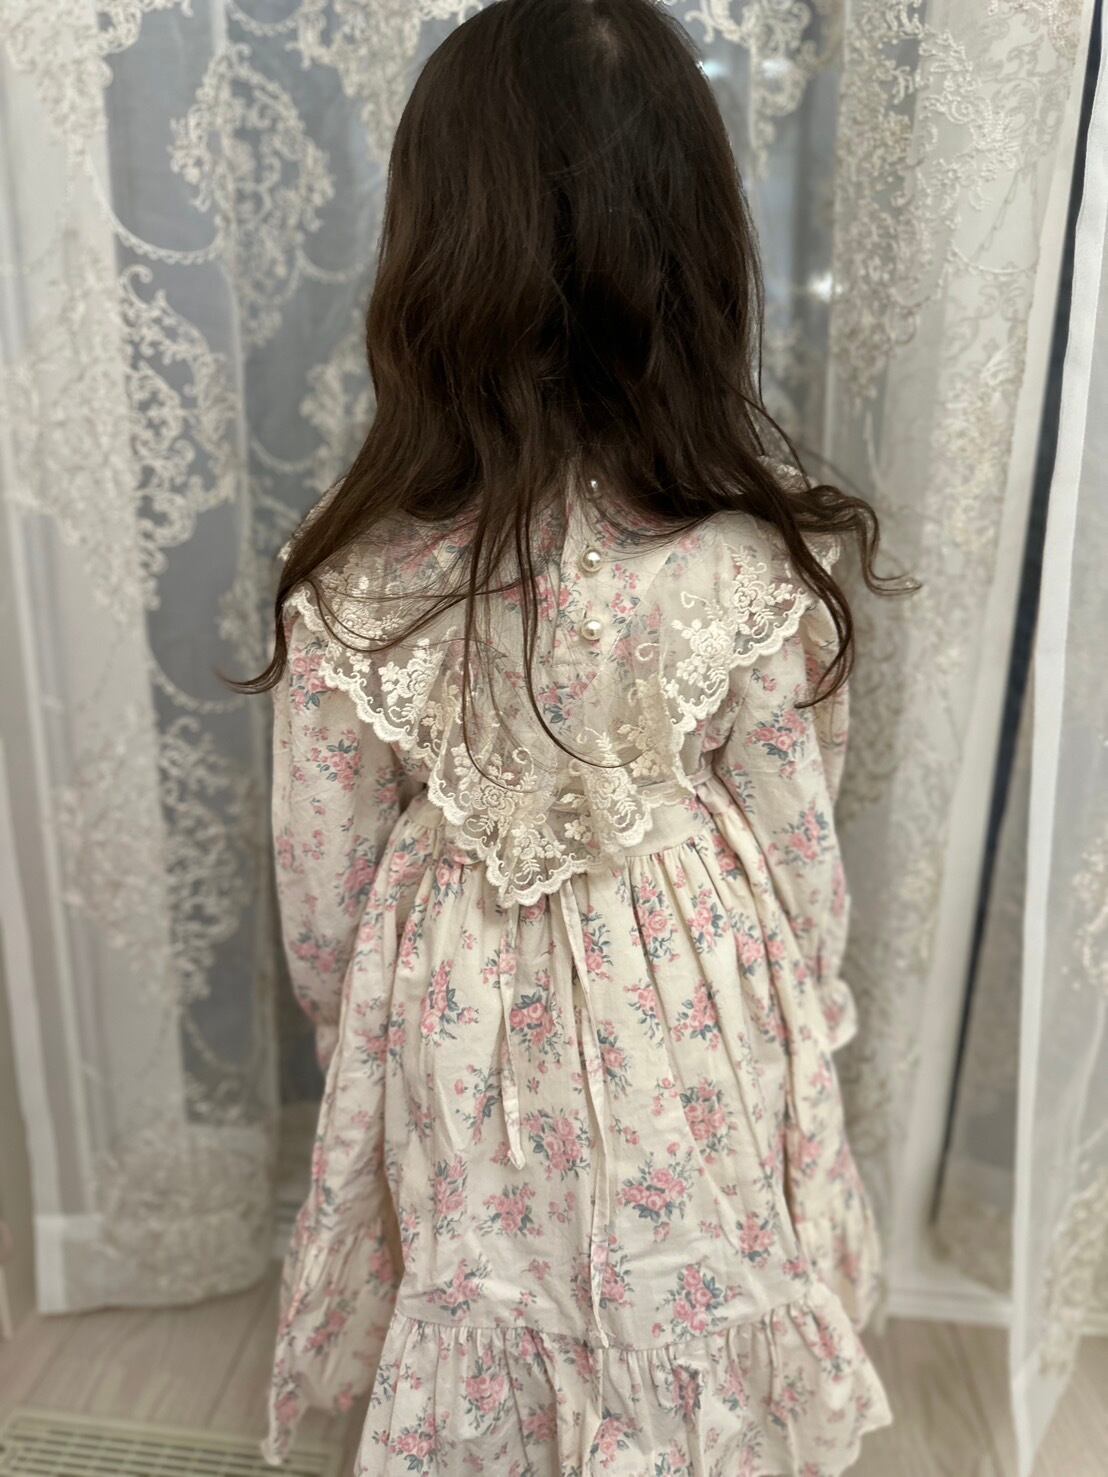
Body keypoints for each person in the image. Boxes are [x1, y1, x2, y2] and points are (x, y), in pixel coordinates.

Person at [247, 1, 898, 1470]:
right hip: (702, 993)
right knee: (696, 1273)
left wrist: (358, 1035)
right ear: (693, 250)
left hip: (451, 1011)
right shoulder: (745, 560)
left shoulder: (356, 570)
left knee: (487, 1280)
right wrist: (809, 1003)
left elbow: (324, 887)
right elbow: (798, 837)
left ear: (431, 249)